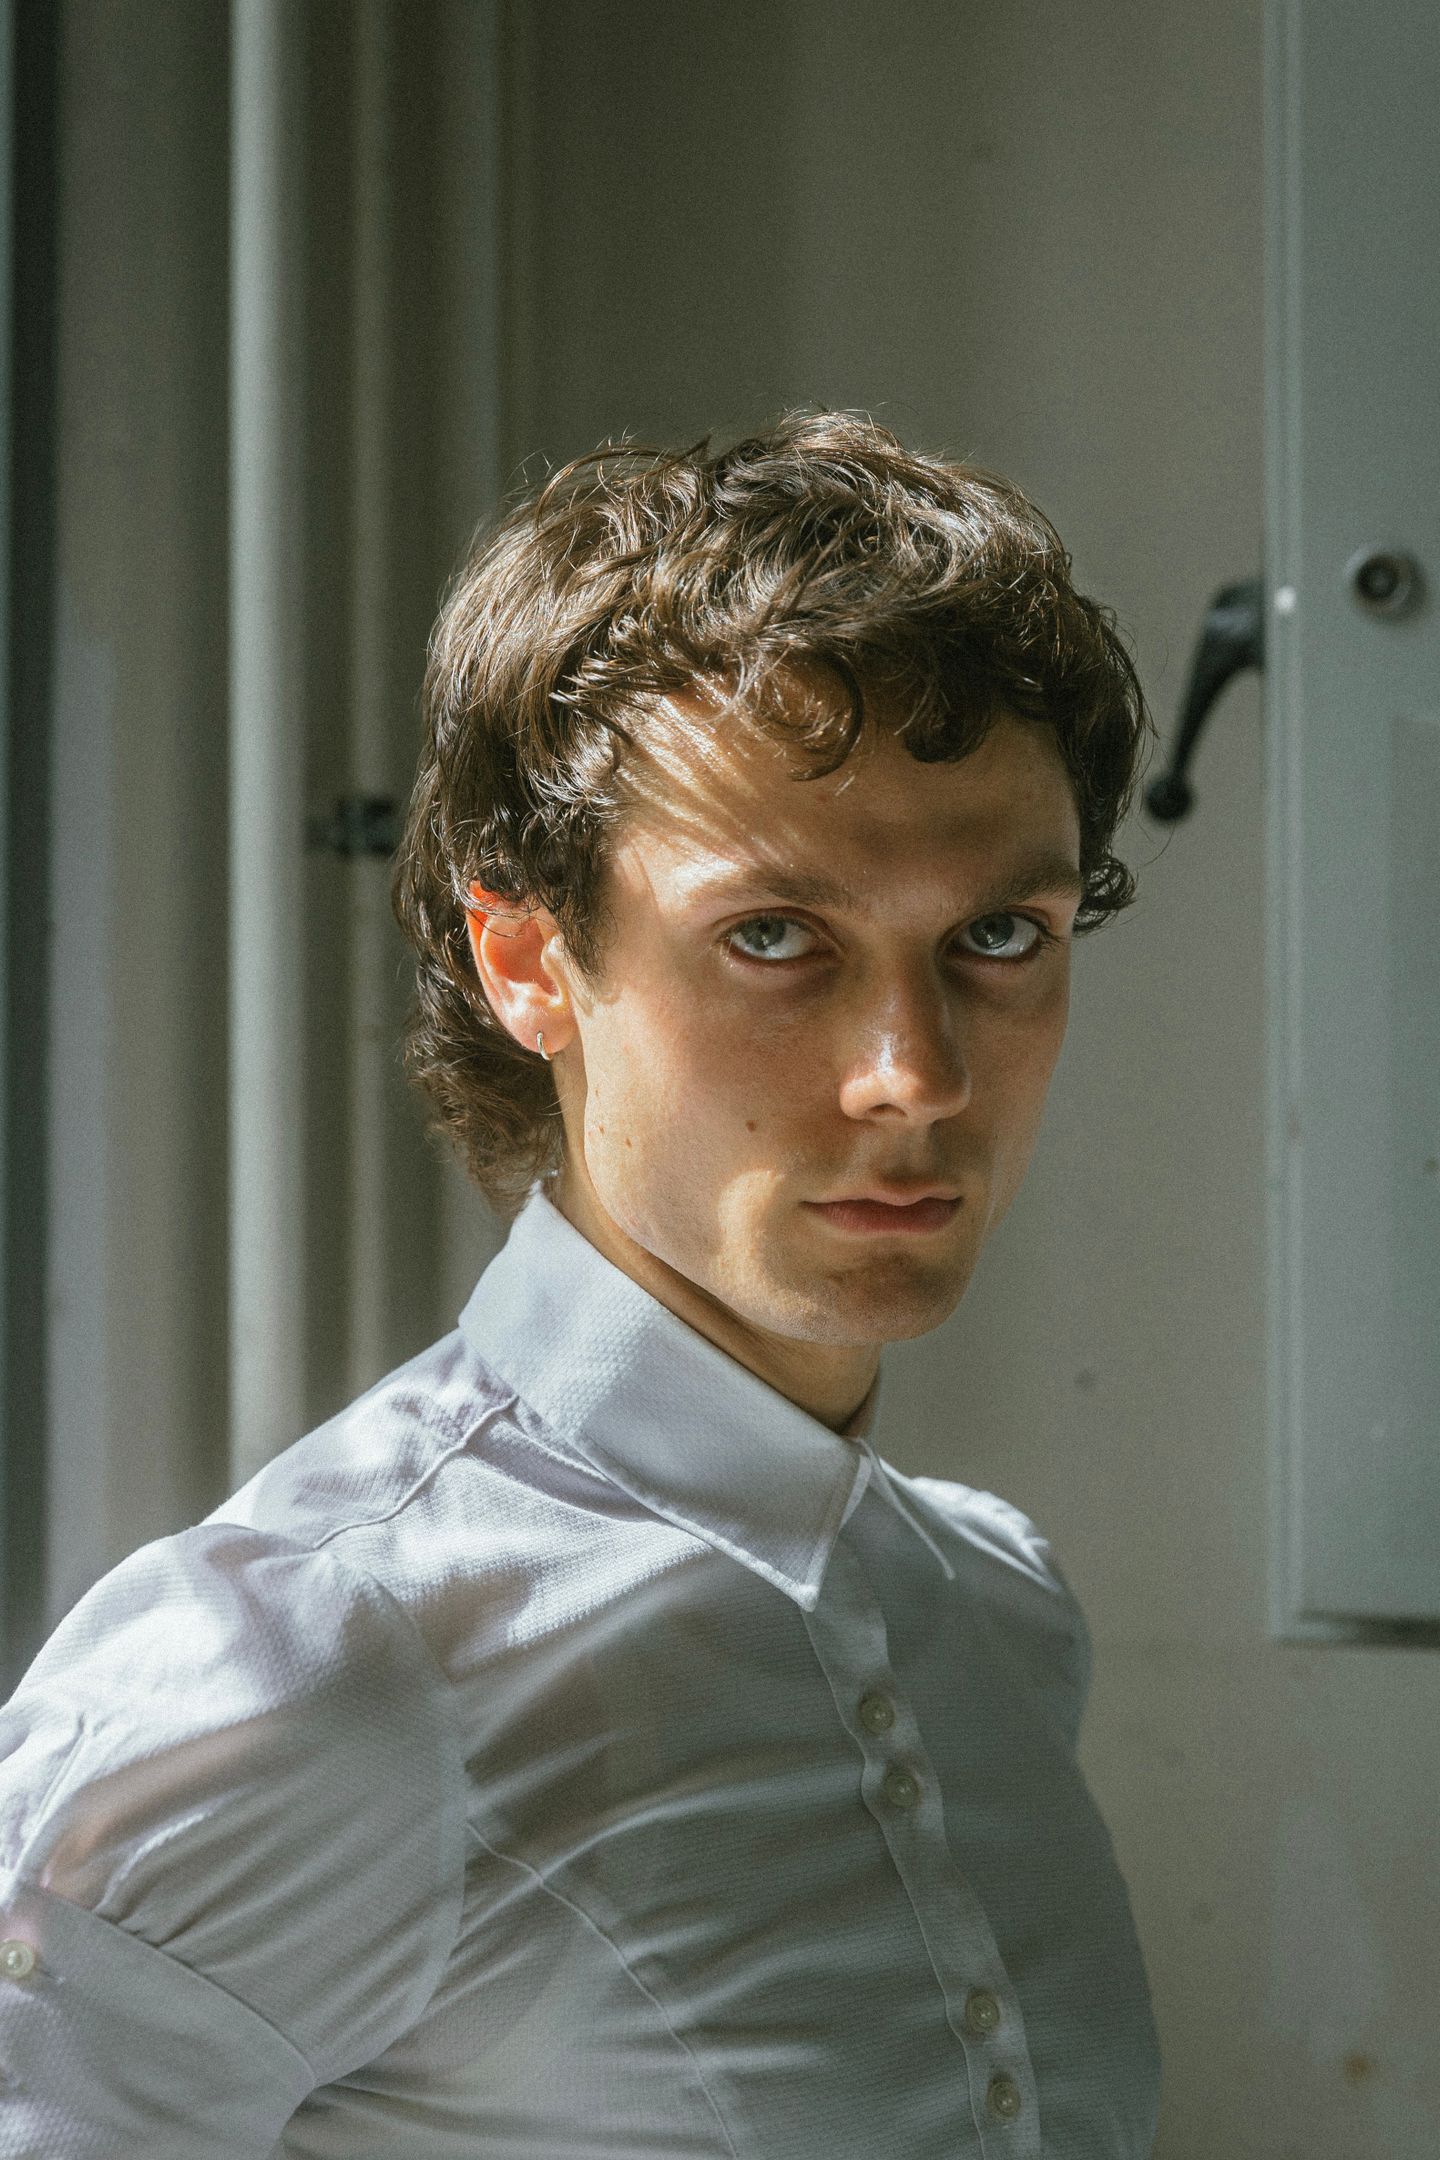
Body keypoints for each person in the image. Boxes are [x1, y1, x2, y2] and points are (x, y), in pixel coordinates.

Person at [0, 412, 1161, 2156]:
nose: (913, 1075)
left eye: (996, 937)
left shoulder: (998, 1611)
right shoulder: (303, 1669)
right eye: (775, 938)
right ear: (529, 958)